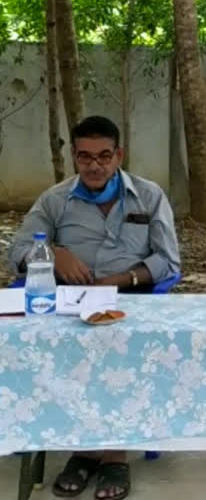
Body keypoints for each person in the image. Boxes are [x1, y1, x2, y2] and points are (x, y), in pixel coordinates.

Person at [9, 115, 181, 499]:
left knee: (120, 347)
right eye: (85, 157)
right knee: (71, 347)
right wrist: (54, 254)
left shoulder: (149, 196)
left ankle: (113, 454)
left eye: (104, 156)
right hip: (70, 302)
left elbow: (169, 262)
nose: (94, 165)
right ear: (74, 156)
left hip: (134, 299)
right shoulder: (54, 200)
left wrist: (122, 280)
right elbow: (16, 253)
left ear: (119, 156)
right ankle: (84, 446)